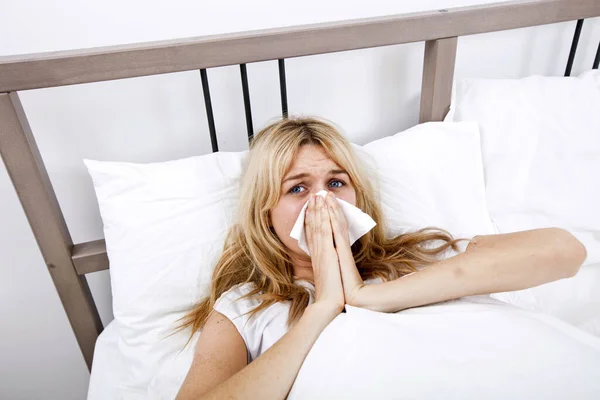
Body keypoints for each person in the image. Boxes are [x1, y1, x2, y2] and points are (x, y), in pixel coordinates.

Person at [175, 116, 586, 400]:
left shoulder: (412, 258)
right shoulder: (247, 307)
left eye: (336, 182)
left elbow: (566, 252)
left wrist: (365, 296)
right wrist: (324, 307)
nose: (323, 200)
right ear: (265, 213)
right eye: (298, 189)